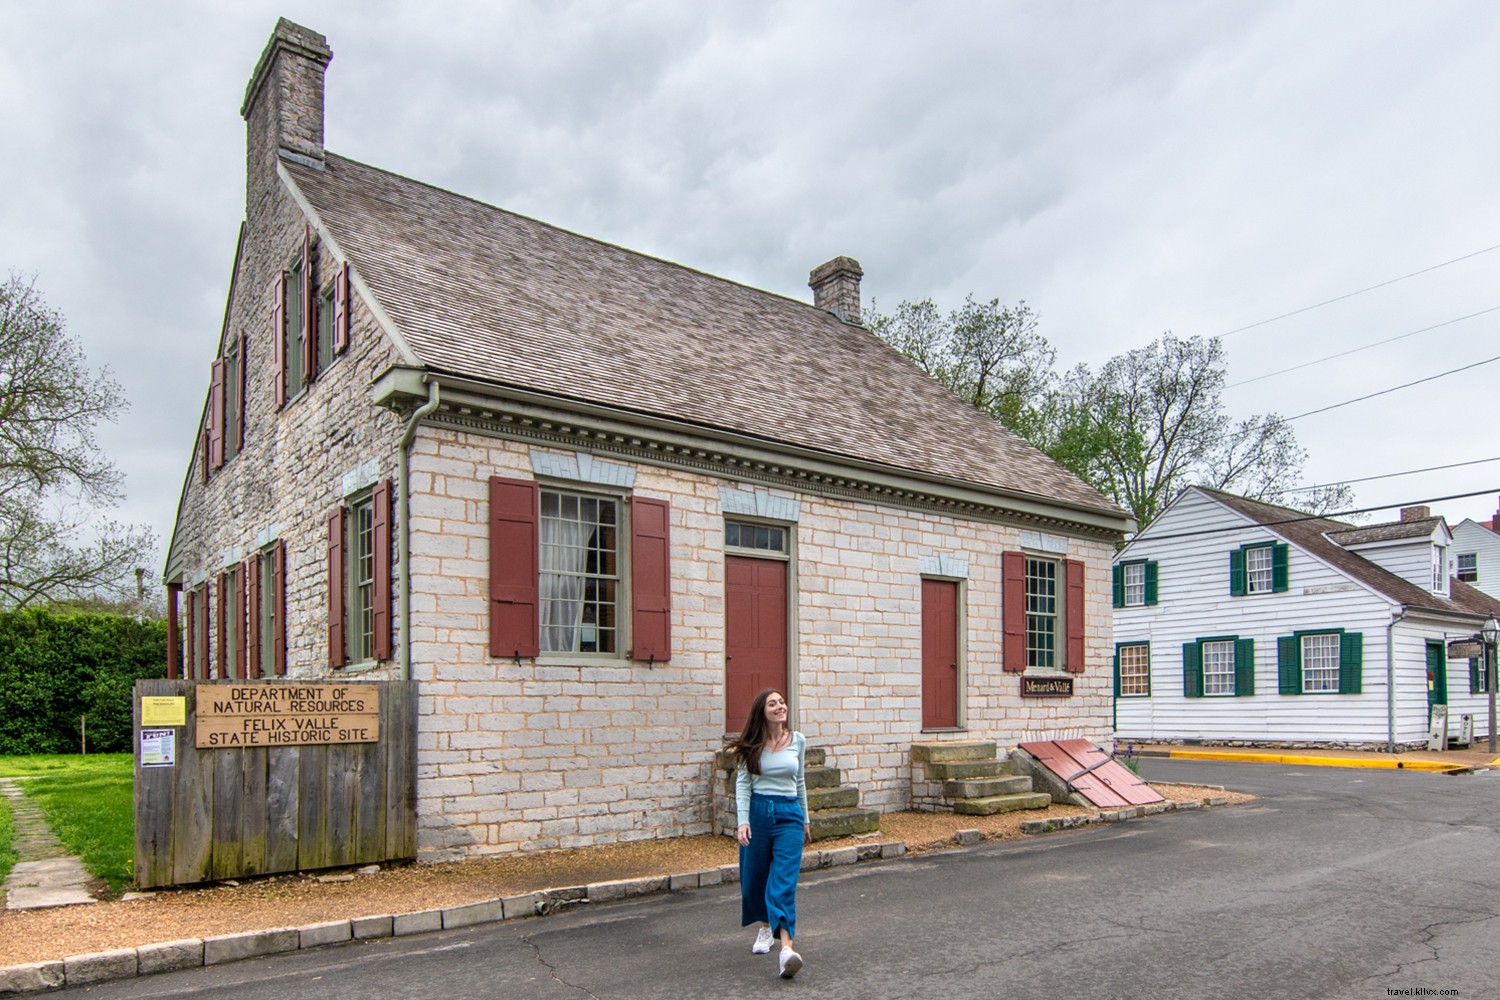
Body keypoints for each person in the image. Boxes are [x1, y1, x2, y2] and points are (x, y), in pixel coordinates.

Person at [726, 688, 811, 980]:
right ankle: (765, 928)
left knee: (784, 880)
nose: (780, 706)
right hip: (759, 813)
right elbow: (743, 785)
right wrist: (743, 821)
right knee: (757, 876)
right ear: (762, 711)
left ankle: (787, 949)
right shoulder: (752, 746)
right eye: (773, 704)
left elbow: (799, 782)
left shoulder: (797, 741)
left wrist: (806, 820)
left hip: (789, 815)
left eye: (782, 702)